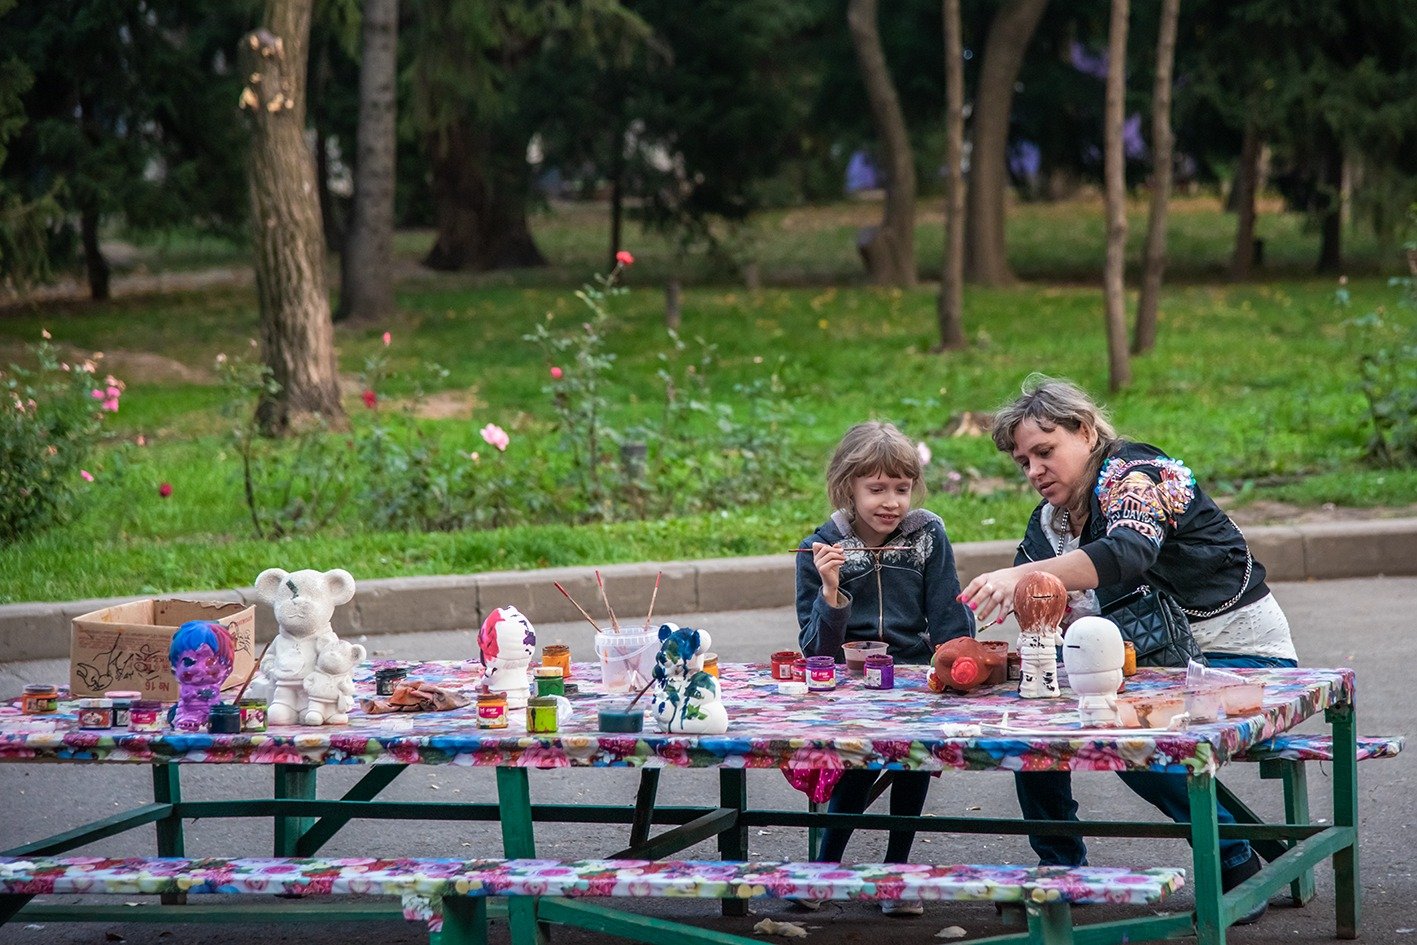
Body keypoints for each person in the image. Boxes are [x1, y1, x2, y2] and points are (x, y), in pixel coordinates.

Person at [958, 376, 1297, 926]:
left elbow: (1128, 552)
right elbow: (1040, 604)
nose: (1035, 470)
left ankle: (1233, 862)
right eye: (1023, 462)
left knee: (1126, 734)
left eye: (1045, 451)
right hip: (1157, 672)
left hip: (1243, 664)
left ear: (1085, 431)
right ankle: (1061, 871)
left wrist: (1020, 576)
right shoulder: (1050, 524)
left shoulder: (1138, 474)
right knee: (1035, 722)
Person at [795, 421, 976, 916]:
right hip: (851, 685)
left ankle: (897, 873)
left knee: (913, 758)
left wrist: (958, 663)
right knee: (861, 760)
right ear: (848, 488)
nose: (891, 501)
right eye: (877, 489)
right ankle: (824, 868)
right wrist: (831, 590)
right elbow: (816, 653)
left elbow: (948, 617)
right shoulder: (820, 548)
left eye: (901, 488)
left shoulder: (926, 537)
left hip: (913, 677)